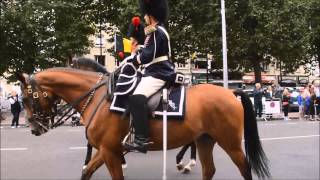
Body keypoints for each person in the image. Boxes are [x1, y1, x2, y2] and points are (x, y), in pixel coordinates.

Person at [125, 0, 175, 153]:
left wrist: (134, 59)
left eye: (145, 14)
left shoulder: (156, 31)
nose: (144, 17)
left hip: (159, 72)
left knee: (136, 98)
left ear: (151, 15)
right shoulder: (157, 30)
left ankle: (142, 138)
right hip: (155, 71)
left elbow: (148, 56)